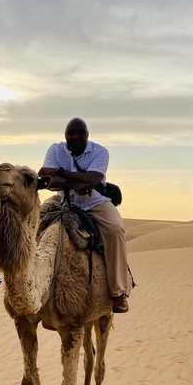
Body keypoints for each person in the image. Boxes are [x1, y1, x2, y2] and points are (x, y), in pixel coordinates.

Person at [38, 118, 130, 313]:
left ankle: (118, 292)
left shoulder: (99, 152)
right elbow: (48, 182)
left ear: (87, 135)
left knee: (115, 230)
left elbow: (93, 179)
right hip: (62, 200)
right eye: (71, 133)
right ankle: (30, 280)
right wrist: (75, 184)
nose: (76, 137)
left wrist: (60, 171)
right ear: (65, 135)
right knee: (32, 221)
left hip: (94, 202)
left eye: (81, 133)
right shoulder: (55, 150)